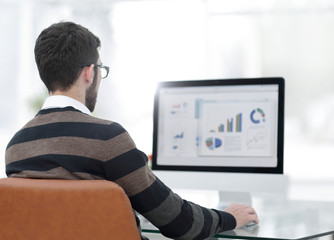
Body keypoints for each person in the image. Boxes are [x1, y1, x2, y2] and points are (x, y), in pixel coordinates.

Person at [5, 21, 258, 240]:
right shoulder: (108, 139)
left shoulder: (16, 148)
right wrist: (229, 218)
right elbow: (178, 222)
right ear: (89, 73)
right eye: (101, 69)